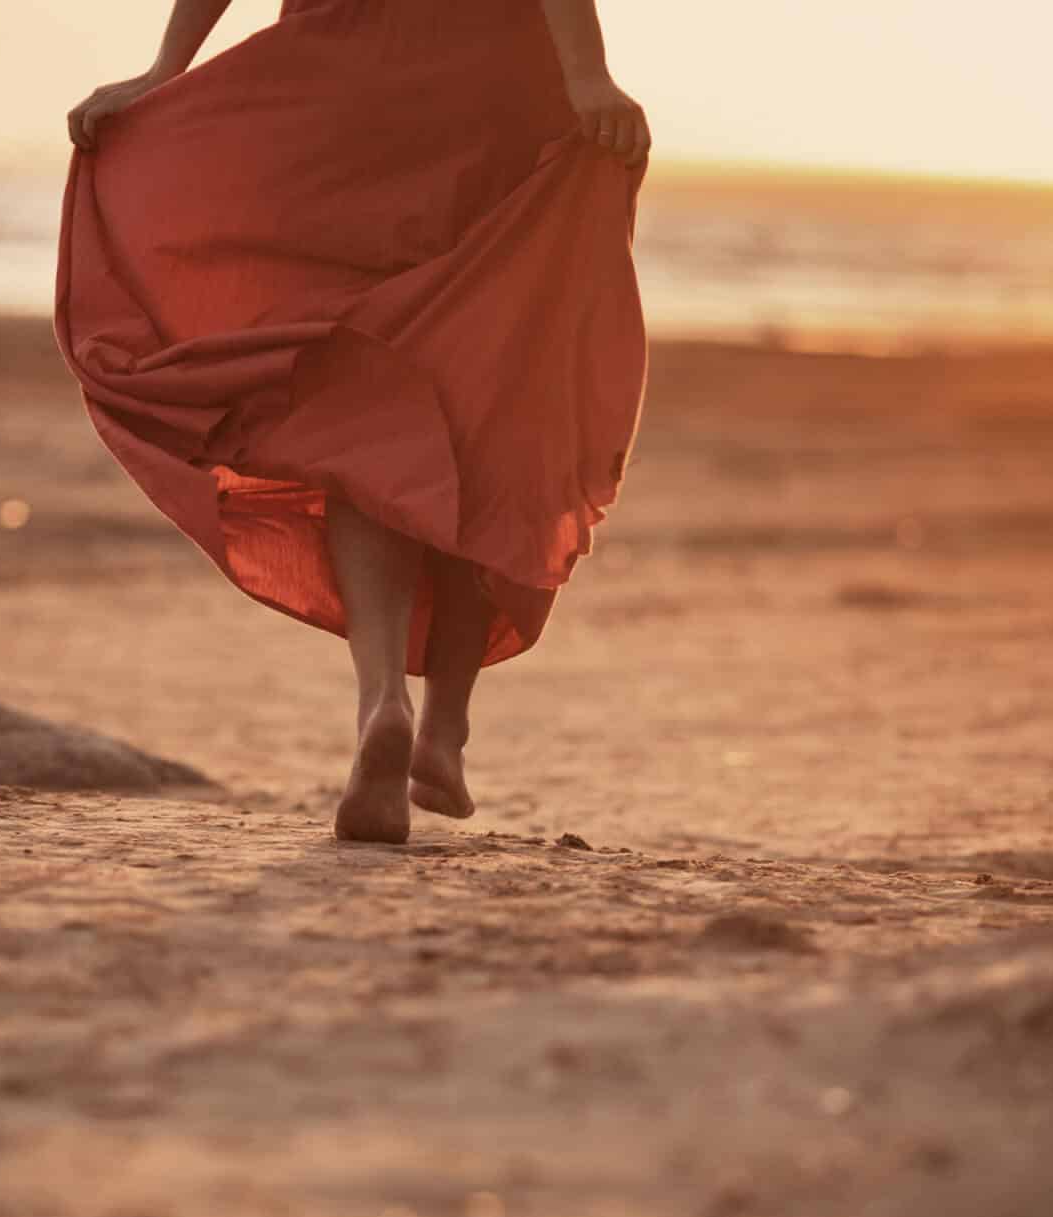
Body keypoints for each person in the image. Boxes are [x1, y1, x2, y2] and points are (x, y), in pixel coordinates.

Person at [57, 0, 650, 843]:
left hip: (337, 88)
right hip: (493, 89)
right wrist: (588, 74)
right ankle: (445, 725)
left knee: (356, 402)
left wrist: (167, 70)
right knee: (492, 397)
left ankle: (385, 702)